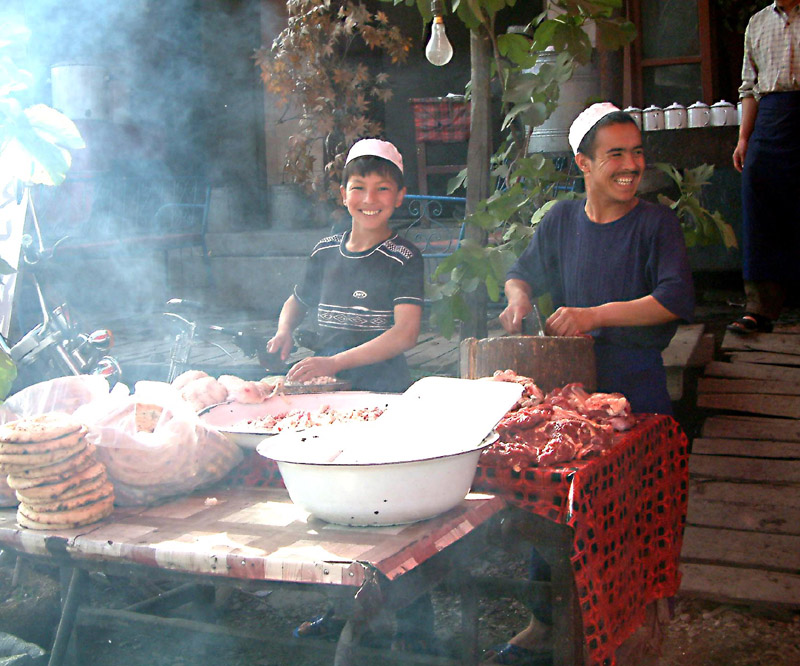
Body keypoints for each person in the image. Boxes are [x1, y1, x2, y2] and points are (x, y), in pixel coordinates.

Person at [482, 103, 694, 665]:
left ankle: (638, 618)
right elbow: (520, 271)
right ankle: (544, 621)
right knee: (555, 506)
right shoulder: (560, 222)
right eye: (616, 154)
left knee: (634, 508)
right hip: (573, 394)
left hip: (635, 389)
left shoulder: (655, 224)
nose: (631, 165)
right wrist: (519, 298)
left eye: (637, 152)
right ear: (584, 162)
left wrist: (595, 315)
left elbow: (674, 299)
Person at [267, 138, 424, 392]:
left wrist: (334, 362)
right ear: (343, 195)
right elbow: (297, 301)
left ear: (399, 196)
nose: (369, 199)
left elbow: (406, 333)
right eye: (358, 188)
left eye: (382, 189)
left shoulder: (404, 257)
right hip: (326, 384)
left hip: (382, 386)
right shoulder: (325, 251)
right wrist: (284, 330)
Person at [727, 0, 800, 335]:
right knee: (759, 201)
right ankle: (760, 308)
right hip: (770, 117)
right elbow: (749, 88)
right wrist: (744, 139)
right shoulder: (757, 23)